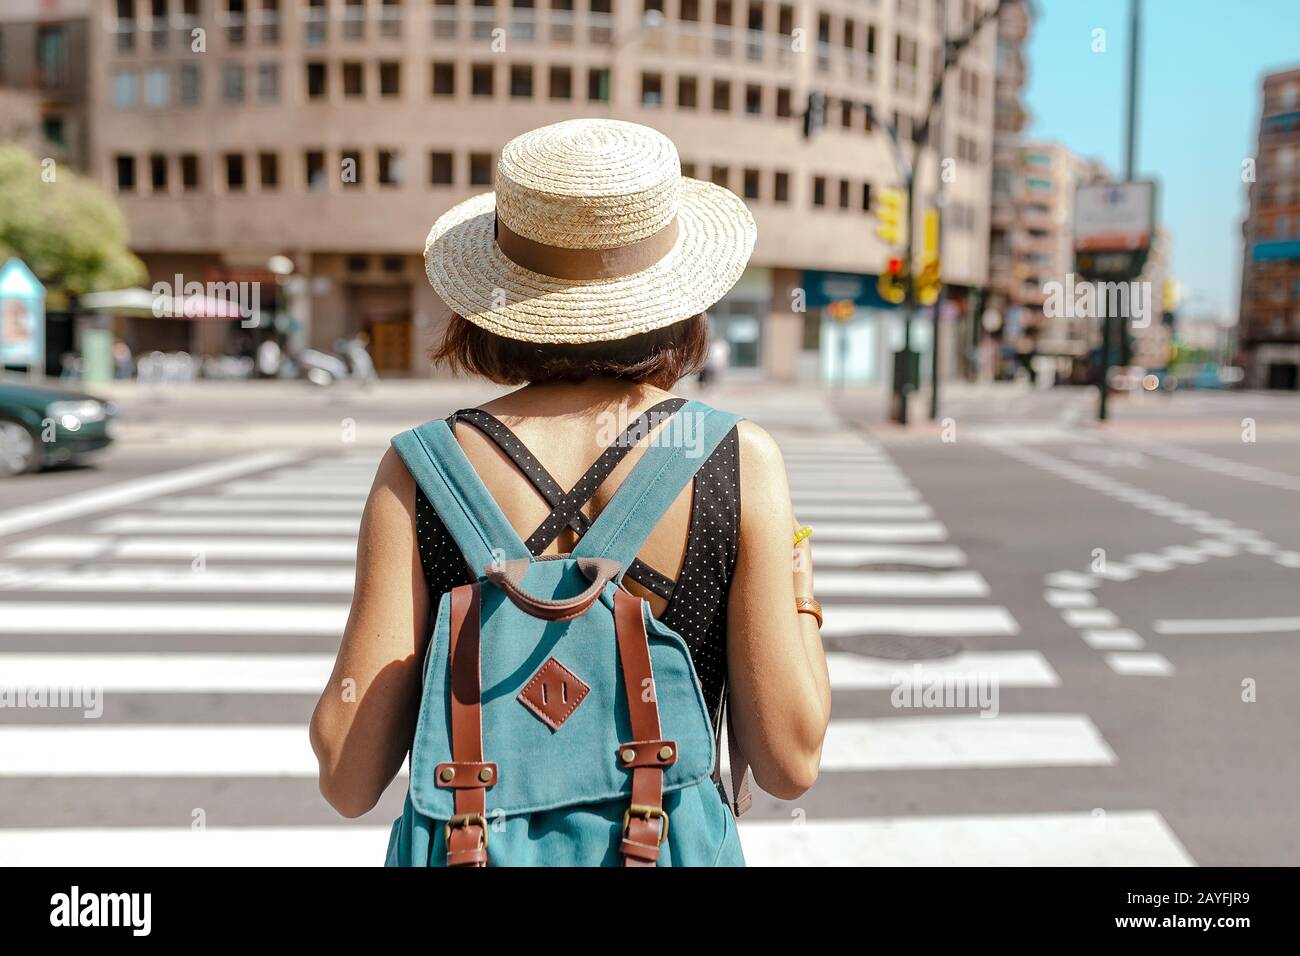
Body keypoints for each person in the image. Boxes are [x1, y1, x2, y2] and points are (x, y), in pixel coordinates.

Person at [310, 119, 830, 833]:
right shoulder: (735, 458)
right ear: (678, 299)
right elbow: (789, 763)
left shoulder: (421, 468)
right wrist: (798, 579)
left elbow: (346, 775)